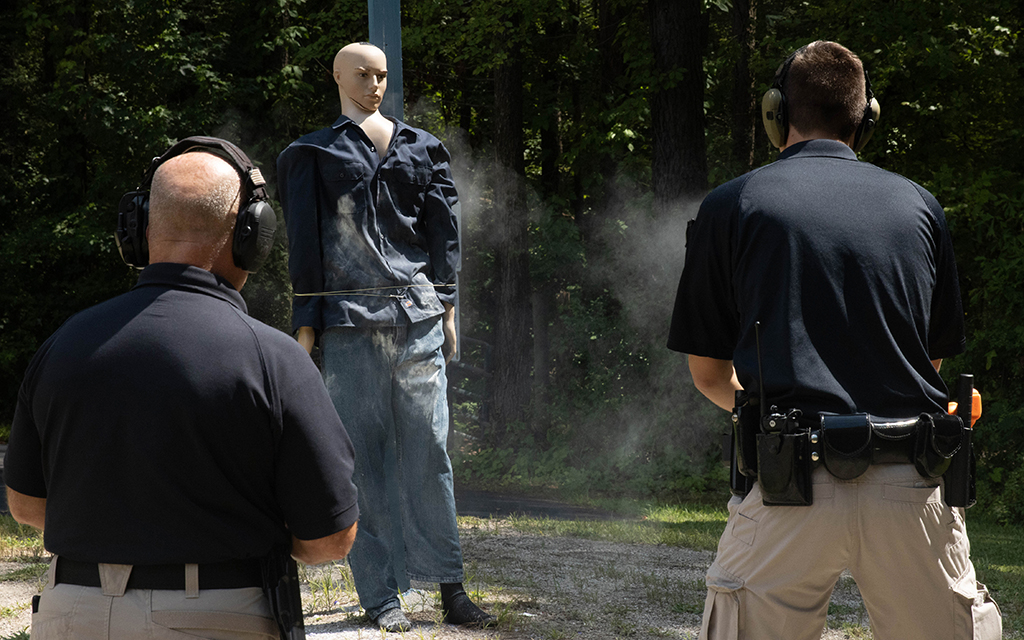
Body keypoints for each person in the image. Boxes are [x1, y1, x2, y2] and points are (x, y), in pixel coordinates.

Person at [667, 41, 1001, 640]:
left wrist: (768, 417)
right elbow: (931, 360)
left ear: (776, 114)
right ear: (866, 118)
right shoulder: (921, 207)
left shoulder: (731, 204)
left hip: (787, 484)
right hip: (914, 479)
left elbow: (710, 376)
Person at [4, 138, 360, 639]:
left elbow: (25, 505)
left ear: (140, 230)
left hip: (71, 615)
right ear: (250, 236)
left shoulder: (62, 345)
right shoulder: (275, 359)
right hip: (215, 615)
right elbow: (330, 539)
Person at [276, 42, 495, 632]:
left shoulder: (422, 147)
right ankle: (381, 596)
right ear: (337, 76)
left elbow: (444, 230)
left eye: (382, 76)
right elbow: (305, 241)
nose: (374, 85)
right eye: (362, 74)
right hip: (347, 323)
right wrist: (306, 324)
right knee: (363, 461)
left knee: (431, 451)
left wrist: (447, 306)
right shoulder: (311, 153)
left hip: (417, 318)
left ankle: (451, 587)